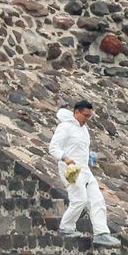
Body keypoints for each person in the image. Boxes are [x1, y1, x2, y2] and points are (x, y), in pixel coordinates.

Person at [48, 100, 120, 247]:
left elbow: (79, 147)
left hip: (85, 169)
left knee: (97, 199)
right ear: (76, 113)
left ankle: (101, 233)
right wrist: (65, 158)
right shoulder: (65, 127)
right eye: (85, 115)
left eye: (89, 116)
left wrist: (89, 155)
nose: (87, 119)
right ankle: (66, 227)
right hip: (70, 169)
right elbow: (53, 147)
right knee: (79, 199)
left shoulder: (84, 129)